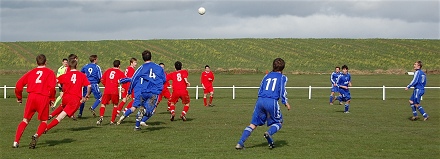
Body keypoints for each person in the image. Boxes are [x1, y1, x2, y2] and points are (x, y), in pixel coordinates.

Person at [235, 58, 291, 150]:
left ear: (273, 66)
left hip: (260, 100)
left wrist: (261, 99)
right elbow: (282, 90)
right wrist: (285, 102)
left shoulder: (266, 76)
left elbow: (260, 88)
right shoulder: (283, 77)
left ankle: (240, 142)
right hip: (271, 101)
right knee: (279, 122)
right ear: (283, 68)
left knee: (253, 124)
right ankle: (269, 133)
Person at [12, 54, 57, 149]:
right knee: (44, 121)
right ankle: (36, 135)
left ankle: (16, 142)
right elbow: (52, 88)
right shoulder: (50, 72)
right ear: (46, 62)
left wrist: (19, 97)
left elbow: (18, 85)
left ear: (36, 62)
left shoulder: (31, 72)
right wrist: (52, 99)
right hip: (43, 97)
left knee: (25, 120)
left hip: (31, 97)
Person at [116, 50, 166, 131]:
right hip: (153, 92)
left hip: (143, 92)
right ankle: (143, 114)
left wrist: (129, 91)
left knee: (139, 107)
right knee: (150, 111)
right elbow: (164, 79)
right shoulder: (158, 67)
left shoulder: (141, 68)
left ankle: (137, 126)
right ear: (151, 57)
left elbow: (133, 79)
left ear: (143, 58)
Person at [46, 59, 91, 135]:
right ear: (76, 65)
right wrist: (87, 95)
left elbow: (56, 81)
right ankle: (46, 128)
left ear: (69, 66)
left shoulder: (65, 75)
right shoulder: (82, 75)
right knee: (60, 117)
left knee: (62, 106)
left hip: (66, 97)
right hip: (75, 99)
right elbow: (89, 86)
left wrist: (61, 86)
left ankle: (50, 115)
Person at [99, 60, 127, 125]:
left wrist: (106, 85)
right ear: (119, 65)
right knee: (115, 105)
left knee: (103, 104)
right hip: (114, 90)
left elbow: (102, 79)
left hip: (107, 90)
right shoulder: (120, 72)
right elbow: (125, 80)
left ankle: (101, 116)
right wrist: (123, 87)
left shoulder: (108, 71)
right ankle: (112, 121)